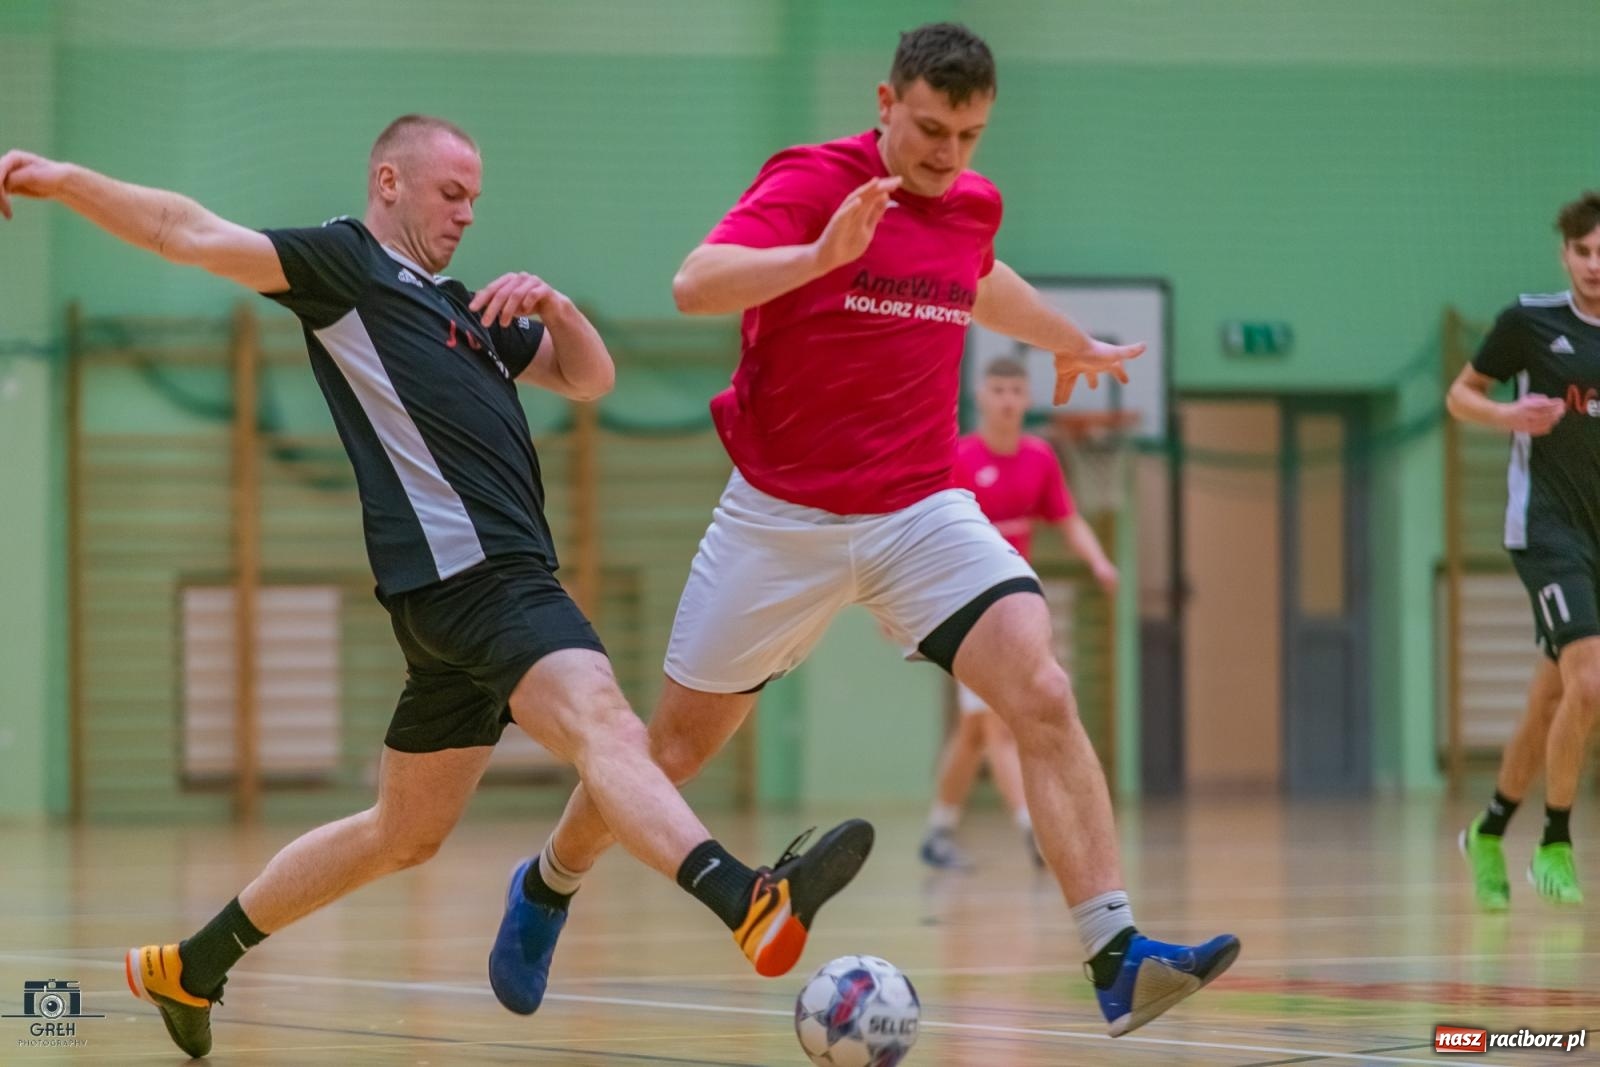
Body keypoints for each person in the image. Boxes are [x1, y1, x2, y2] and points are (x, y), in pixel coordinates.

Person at [0, 115, 873, 1060]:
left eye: (475, 200)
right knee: (608, 728)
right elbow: (186, 230)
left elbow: (590, 378)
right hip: (482, 577)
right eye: (451, 193)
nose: (466, 214)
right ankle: (744, 897)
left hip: (451, 602)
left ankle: (193, 963)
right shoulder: (346, 267)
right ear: (389, 181)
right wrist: (63, 179)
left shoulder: (465, 308)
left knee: (402, 831)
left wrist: (560, 307)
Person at [498, 24, 1239, 1038]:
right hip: (779, 518)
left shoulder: (971, 203)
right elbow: (695, 281)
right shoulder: (813, 181)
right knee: (668, 748)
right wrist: (820, 256)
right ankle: (547, 882)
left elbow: (978, 277)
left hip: (917, 509)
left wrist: (1067, 339)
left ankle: (1117, 955)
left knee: (1042, 687)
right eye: (930, 129)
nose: (947, 154)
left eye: (969, 136)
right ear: (886, 103)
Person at [1448, 189, 1600, 911]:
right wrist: (1508, 413)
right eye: (1583, 251)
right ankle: (1555, 841)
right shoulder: (1531, 322)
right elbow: (1460, 396)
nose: (1594, 265)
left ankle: (1488, 829)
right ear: (1564, 254)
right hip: (1547, 530)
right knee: (1591, 683)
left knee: (1552, 700)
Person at [919, 356, 1119, 872]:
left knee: (975, 731)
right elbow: (925, 530)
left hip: (1013, 607)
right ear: (981, 397)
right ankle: (1035, 832)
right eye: (998, 390)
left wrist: (1099, 561)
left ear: (1027, 399)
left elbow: (1068, 519)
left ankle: (939, 832)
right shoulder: (959, 456)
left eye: (1015, 390)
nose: (1007, 400)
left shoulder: (1039, 458)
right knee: (997, 729)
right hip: (967, 603)